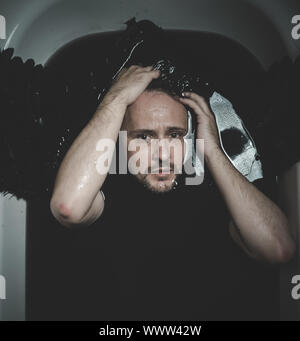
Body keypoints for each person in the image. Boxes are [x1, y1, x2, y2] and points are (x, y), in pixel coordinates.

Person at [50, 65, 296, 320]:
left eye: (174, 134)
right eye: (144, 137)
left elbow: (278, 248)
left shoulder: (215, 190)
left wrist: (212, 149)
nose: (162, 155)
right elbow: (68, 208)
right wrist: (115, 98)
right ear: (120, 138)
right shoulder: (109, 185)